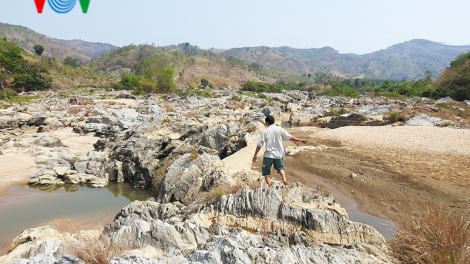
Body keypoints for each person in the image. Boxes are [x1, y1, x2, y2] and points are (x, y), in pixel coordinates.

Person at [252, 115, 308, 187]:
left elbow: (259, 144)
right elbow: (290, 137)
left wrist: (255, 155)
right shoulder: (279, 129)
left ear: (267, 123)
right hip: (279, 154)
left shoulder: (265, 132)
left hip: (268, 155)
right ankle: (284, 178)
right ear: (273, 122)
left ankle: (269, 186)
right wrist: (301, 140)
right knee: (280, 167)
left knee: (266, 171)